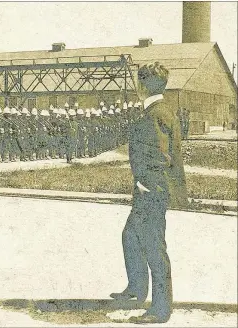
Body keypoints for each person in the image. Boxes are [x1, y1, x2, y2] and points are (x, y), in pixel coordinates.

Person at [110, 62, 188, 324]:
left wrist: (146, 184)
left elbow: (161, 155)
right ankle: (136, 289)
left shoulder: (153, 115)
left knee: (154, 247)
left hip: (151, 190)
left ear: (140, 86)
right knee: (130, 235)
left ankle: (160, 309)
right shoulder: (163, 110)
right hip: (154, 188)